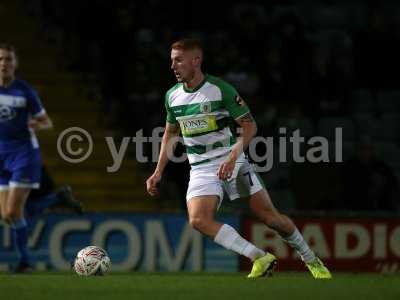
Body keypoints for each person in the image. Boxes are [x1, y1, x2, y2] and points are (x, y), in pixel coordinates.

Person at [146, 38, 331, 279]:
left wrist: (234, 156)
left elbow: (250, 126)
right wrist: (158, 170)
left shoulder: (220, 89)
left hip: (233, 162)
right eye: (172, 61)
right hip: (201, 168)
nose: (173, 66)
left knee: (271, 219)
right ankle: (259, 257)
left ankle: (311, 259)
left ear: (196, 61)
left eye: (179, 60)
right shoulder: (172, 96)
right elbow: (170, 133)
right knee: (198, 220)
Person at [0, 44, 58, 273]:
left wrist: (35, 123)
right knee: (6, 215)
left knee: (14, 212)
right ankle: (55, 199)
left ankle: (25, 262)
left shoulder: (24, 91)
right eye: (1, 59)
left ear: (15, 64)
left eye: (9, 60)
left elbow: (47, 122)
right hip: (1, 156)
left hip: (23, 154)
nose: (4, 63)